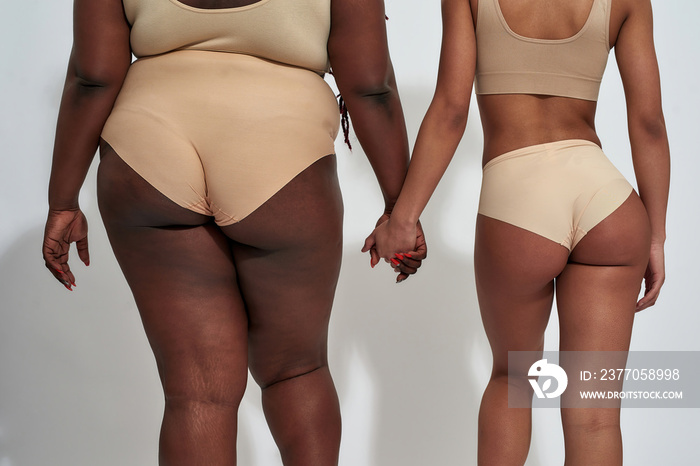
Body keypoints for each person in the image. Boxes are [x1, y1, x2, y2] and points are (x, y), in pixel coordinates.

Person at [42, 0, 425, 464]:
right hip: (281, 151)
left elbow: (93, 77)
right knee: (295, 372)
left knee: (196, 395)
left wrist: (63, 201)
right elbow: (370, 88)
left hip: (148, 150)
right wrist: (399, 209)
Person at [364, 0, 669, 464]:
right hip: (607, 201)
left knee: (514, 382)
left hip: (519, 200)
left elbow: (451, 110)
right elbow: (648, 124)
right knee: (596, 412)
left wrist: (403, 219)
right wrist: (655, 236)